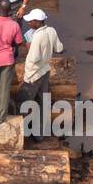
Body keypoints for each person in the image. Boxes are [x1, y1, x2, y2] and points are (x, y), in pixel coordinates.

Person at [17, 9, 62, 142]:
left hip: (34, 74)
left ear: (37, 22)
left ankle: (22, 131)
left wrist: (27, 76)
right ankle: (39, 133)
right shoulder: (52, 31)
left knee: (23, 102)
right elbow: (59, 48)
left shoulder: (36, 36)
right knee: (43, 102)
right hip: (45, 71)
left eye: (31, 21)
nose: (29, 23)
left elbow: (34, 58)